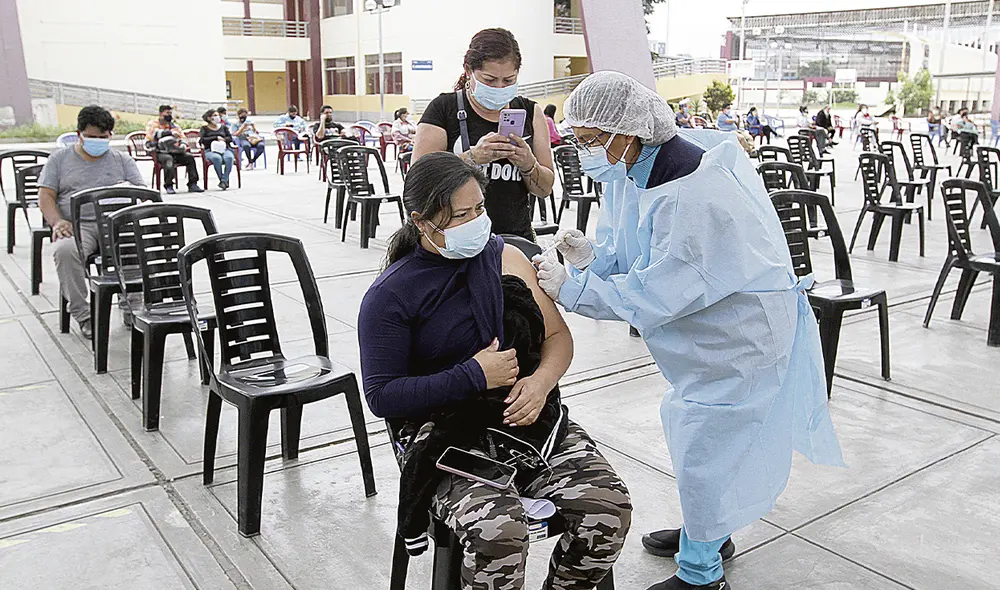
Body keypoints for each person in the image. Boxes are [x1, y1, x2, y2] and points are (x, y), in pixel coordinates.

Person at [534, 71, 844, 590]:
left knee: (706, 448)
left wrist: (576, 290)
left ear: (626, 130)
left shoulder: (692, 189)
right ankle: (708, 531)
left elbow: (660, 292)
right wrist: (593, 259)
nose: (585, 152)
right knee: (696, 443)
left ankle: (702, 574)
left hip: (739, 340)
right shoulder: (635, 169)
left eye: (590, 140)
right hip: (707, 339)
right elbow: (637, 253)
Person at [358, 151, 631, 589]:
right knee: (499, 531)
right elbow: (383, 396)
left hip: (526, 419)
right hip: (444, 431)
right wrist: (473, 375)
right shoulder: (391, 295)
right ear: (422, 221)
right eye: (459, 215)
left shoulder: (504, 258)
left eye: (479, 209)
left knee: (608, 507)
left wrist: (541, 383)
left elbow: (557, 339)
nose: (475, 222)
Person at [412, 27, 555, 241]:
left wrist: (528, 163)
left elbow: (544, 189)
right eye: (489, 80)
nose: (499, 87)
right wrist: (472, 158)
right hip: (455, 241)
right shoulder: (444, 108)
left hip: (514, 239)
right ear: (469, 70)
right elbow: (418, 180)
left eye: (508, 80)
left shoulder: (530, 112)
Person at [39, 105, 146, 339]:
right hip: (78, 224)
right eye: (91, 137)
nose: (97, 141)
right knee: (65, 251)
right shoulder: (59, 160)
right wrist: (57, 221)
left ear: (110, 136)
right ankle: (84, 314)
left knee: (136, 245)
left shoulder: (121, 160)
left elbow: (142, 192)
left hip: (115, 223)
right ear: (79, 134)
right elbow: (46, 196)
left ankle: (132, 306)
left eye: (103, 137)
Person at [145, 104, 202, 195]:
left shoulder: (174, 125)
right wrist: (169, 132)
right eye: (167, 113)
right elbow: (152, 136)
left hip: (175, 151)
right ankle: (169, 185)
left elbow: (182, 137)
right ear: (160, 114)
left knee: (189, 158)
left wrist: (183, 144)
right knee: (168, 160)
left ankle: (192, 184)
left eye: (170, 113)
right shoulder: (153, 124)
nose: (169, 115)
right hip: (160, 152)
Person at [198, 109, 236, 190]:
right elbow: (202, 140)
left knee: (229, 158)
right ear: (209, 118)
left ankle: (224, 180)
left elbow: (230, 138)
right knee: (217, 158)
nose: (217, 117)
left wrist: (224, 139)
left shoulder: (223, 127)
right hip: (210, 150)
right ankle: (222, 180)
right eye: (214, 115)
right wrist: (215, 138)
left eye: (217, 115)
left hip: (225, 149)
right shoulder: (204, 128)